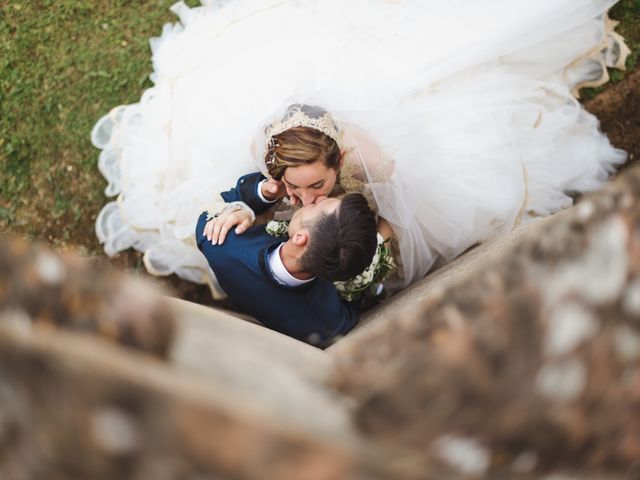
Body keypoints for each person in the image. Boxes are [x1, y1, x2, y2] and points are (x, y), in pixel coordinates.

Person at [93, 0, 629, 297]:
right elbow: (266, 191)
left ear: (339, 163)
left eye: (316, 186)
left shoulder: (363, 157)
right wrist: (255, 200)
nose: (302, 199)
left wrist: (364, 214)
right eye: (295, 187)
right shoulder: (271, 160)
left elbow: (391, 181)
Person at [195, 177, 378, 347]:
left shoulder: (220, 244)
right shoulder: (328, 325)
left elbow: (211, 208)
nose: (317, 197)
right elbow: (352, 307)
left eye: (315, 205)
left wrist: (258, 198)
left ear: (299, 238)